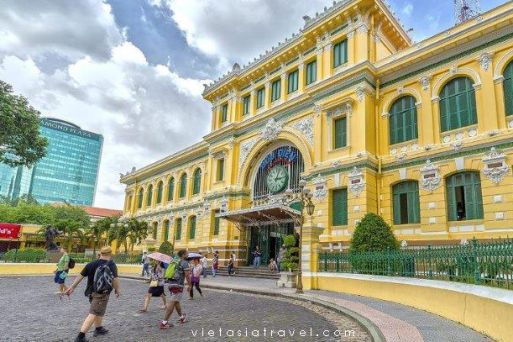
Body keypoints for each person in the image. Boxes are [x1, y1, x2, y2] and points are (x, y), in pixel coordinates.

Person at [65, 246, 120, 342]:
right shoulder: (111, 264)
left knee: (99, 310)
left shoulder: (91, 264)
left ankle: (98, 328)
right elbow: (115, 279)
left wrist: (72, 287)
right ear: (110, 253)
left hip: (91, 292)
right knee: (94, 313)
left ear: (101, 253)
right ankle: (80, 336)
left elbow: (81, 275)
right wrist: (117, 289)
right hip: (101, 293)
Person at [159, 249, 190, 329]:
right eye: (187, 253)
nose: (188, 255)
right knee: (172, 302)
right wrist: (190, 285)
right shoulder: (184, 262)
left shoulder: (174, 261)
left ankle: (182, 317)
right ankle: (164, 322)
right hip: (178, 285)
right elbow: (187, 275)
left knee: (176, 301)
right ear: (183, 255)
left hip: (171, 284)